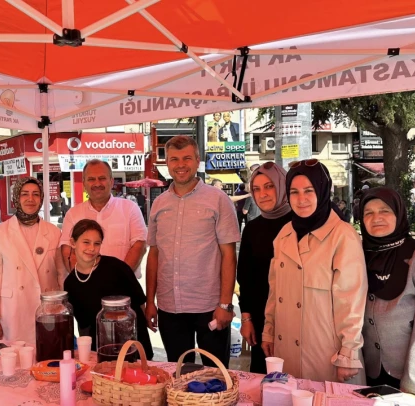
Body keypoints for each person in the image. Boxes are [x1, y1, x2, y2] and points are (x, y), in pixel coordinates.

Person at [261, 159, 367, 384]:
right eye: (294, 192)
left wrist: (348, 354)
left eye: (309, 191)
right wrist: (269, 330)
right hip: (285, 348)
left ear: (322, 191)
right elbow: (275, 291)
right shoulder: (284, 233)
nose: (301, 199)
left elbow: (351, 301)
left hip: (326, 354)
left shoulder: (342, 235)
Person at [145, 135, 240, 367]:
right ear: (167, 163)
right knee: (179, 372)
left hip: (210, 307)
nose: (180, 165)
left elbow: (229, 255)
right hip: (170, 307)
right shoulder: (159, 204)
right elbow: (154, 255)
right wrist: (150, 301)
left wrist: (225, 305)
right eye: (174, 159)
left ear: (198, 160)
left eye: (187, 158)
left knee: (216, 374)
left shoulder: (218, 200)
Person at [360, 187, 415, 398]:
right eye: (368, 213)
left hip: (410, 374)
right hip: (366, 369)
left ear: (398, 213)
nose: (376, 218)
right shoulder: (356, 253)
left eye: (384, 211)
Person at [0, 177, 64, 345]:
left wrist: (64, 307)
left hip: (48, 308)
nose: (30, 199)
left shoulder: (54, 232)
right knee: (16, 356)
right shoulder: (1, 232)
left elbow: (61, 274)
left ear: (41, 199)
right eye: (25, 194)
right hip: (13, 310)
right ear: (16, 198)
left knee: (48, 354)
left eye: (36, 194)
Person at [63, 219, 153, 359]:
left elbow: (139, 301)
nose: (91, 248)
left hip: (132, 344)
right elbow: (83, 325)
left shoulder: (117, 267)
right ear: (73, 242)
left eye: (97, 243)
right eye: (86, 242)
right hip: (102, 348)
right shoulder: (70, 283)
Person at [237, 162, 293, 374]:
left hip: (297, 317)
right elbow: (245, 279)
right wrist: (246, 318)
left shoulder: (301, 223)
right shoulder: (252, 228)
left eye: (269, 186)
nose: (263, 194)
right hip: (261, 318)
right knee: (265, 378)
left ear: (282, 186)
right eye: (257, 189)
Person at [59, 159, 146, 278]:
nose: (97, 183)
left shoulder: (130, 209)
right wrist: (84, 280)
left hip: (123, 284)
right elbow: (67, 251)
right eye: (91, 179)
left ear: (111, 181)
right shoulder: (73, 214)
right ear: (84, 183)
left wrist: (118, 279)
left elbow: (139, 246)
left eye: (102, 178)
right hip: (86, 285)